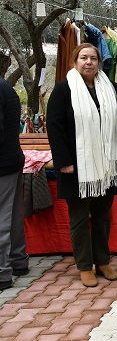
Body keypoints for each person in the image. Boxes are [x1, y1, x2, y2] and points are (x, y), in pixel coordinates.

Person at [47, 43, 117, 287]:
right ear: (75, 61)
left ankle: (103, 261)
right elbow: (56, 128)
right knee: (80, 218)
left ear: (99, 62)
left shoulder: (111, 88)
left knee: (103, 216)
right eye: (84, 58)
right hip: (76, 167)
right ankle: (84, 266)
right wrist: (63, 163)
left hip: (105, 166)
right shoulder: (64, 90)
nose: (89, 62)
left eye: (93, 58)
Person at [0, 76, 28, 290]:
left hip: (3, 162)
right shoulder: (6, 87)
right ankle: (18, 261)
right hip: (12, 159)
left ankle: (2, 272)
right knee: (13, 215)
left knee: (2, 218)